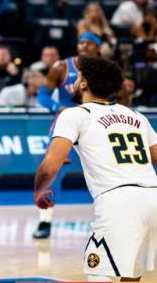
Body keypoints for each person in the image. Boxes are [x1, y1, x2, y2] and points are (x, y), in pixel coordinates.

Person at [34, 56, 157, 281]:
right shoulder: (137, 116)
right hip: (153, 197)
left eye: (78, 77)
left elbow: (49, 167)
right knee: (130, 276)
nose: (73, 82)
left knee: (99, 275)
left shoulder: (74, 114)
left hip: (118, 201)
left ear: (83, 84)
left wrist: (39, 190)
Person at [33, 33, 101, 239]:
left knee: (103, 171)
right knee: (54, 172)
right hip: (67, 122)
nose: (84, 46)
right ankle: (44, 221)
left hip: (95, 122)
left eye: (89, 43)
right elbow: (43, 95)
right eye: (81, 42)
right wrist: (57, 106)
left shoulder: (104, 68)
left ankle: (108, 217)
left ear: (98, 47)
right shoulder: (61, 67)